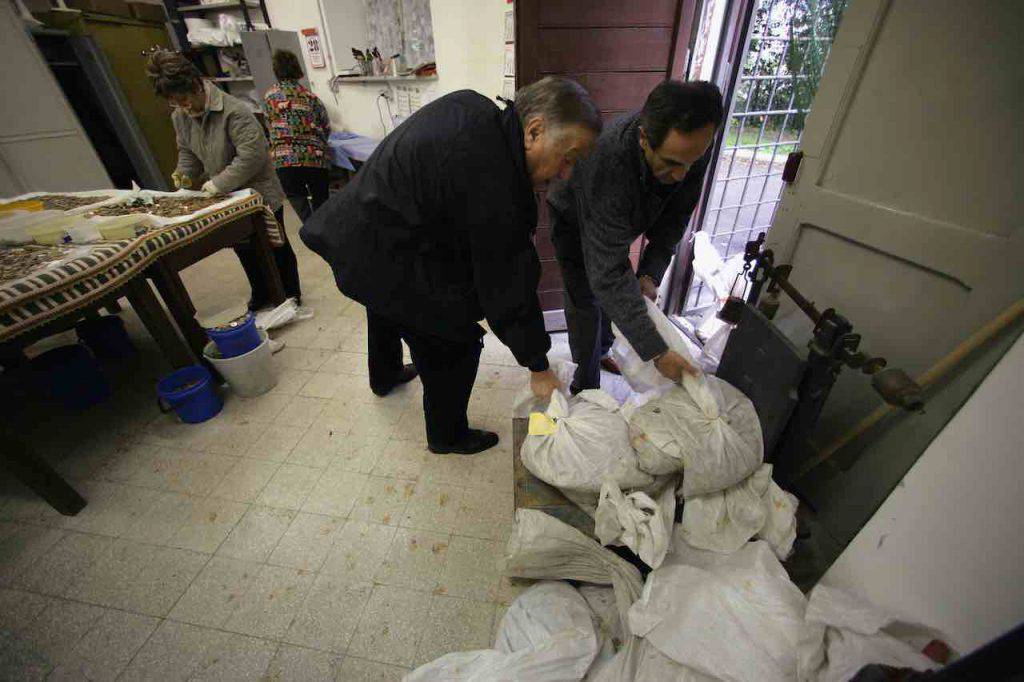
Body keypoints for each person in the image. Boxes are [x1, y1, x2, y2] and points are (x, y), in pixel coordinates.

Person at [301, 77, 601, 455]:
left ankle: (386, 374)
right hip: (377, 248)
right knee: (454, 344)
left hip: (357, 229)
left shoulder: (472, 106)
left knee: (383, 300)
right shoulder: (496, 181)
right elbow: (506, 285)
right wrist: (538, 364)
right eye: (568, 157)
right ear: (534, 131)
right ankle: (447, 435)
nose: (566, 173)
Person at [547, 80, 724, 393]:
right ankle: (585, 384)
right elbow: (608, 273)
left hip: (617, 213)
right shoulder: (608, 162)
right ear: (644, 139)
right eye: (671, 163)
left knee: (619, 295)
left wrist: (650, 273)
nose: (683, 175)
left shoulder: (691, 147)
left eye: (691, 163)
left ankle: (600, 353)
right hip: (573, 215)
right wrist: (656, 351)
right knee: (586, 298)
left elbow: (676, 217)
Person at [145, 49, 302, 310]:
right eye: (175, 102)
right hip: (227, 197)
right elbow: (188, 151)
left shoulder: (234, 111)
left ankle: (290, 294)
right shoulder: (180, 117)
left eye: (184, 99)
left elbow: (252, 156)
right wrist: (184, 175)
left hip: (258, 192)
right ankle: (262, 293)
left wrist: (218, 183)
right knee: (244, 248)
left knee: (275, 245)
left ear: (195, 85)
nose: (182, 106)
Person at [263, 49, 332, 223]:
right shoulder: (310, 97)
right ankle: (324, 231)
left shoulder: (269, 98)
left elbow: (268, 126)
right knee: (322, 201)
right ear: (297, 69)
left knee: (297, 199)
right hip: (314, 158)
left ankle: (311, 230)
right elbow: (326, 127)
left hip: (284, 161)